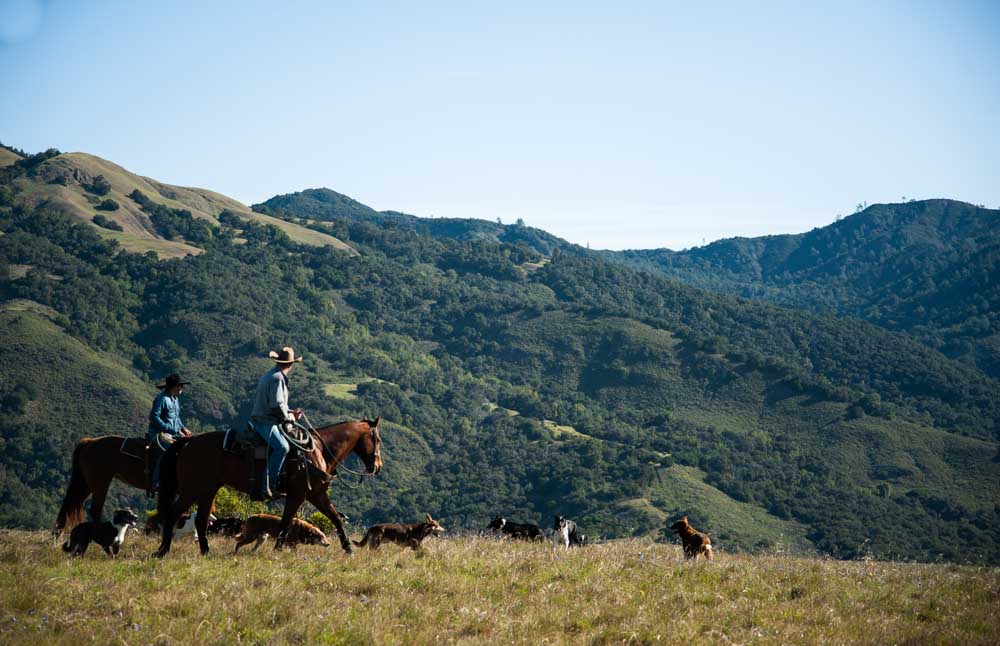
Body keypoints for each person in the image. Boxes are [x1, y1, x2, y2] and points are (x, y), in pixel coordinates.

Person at [250, 346, 304, 499]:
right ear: (291, 364)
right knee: (282, 447)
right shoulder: (278, 378)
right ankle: (268, 486)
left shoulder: (272, 375)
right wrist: (290, 417)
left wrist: (289, 411)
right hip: (265, 421)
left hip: (266, 418)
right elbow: (276, 405)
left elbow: (278, 404)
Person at [147, 373, 192, 489]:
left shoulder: (175, 399)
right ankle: (156, 481)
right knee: (167, 450)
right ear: (175, 386)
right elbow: (153, 417)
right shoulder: (161, 399)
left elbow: (176, 418)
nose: (182, 388)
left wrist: (183, 428)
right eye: (180, 386)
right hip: (158, 434)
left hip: (173, 434)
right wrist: (171, 429)